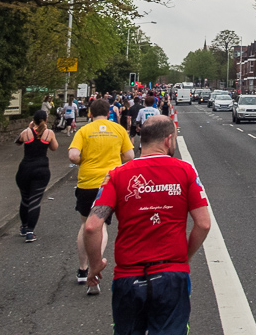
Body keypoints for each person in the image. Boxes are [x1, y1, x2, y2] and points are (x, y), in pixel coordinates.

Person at [84, 116, 211, 333]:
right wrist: (185, 257)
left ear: (141, 141)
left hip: (128, 276)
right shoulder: (186, 171)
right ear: (168, 140)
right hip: (171, 273)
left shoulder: (117, 175)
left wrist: (95, 264)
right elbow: (204, 224)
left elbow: (92, 226)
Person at [68, 98, 134, 290]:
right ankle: (95, 267)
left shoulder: (84, 131)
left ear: (90, 112)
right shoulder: (118, 130)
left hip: (87, 182)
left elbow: (73, 155)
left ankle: (82, 269)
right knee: (102, 225)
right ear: (108, 113)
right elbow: (129, 156)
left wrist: (84, 160)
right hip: (110, 182)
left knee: (85, 224)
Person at [15, 109, 59, 242]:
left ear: (33, 120)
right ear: (46, 120)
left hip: (24, 170)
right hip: (41, 170)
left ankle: (23, 227)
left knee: (25, 199)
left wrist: (29, 128)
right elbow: (54, 148)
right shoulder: (49, 133)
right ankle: (30, 232)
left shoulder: (26, 132)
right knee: (35, 200)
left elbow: (17, 142)